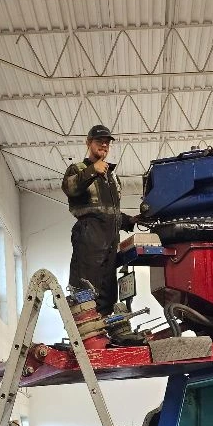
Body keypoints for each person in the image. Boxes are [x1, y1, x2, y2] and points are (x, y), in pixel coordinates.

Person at [62, 125, 137, 316]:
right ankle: (86, 330)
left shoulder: (112, 177)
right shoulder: (78, 169)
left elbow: (109, 213)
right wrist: (92, 170)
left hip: (110, 242)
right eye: (99, 141)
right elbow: (70, 188)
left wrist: (131, 220)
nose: (104, 145)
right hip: (89, 239)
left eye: (107, 142)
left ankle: (105, 330)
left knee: (107, 297)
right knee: (85, 295)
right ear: (88, 143)